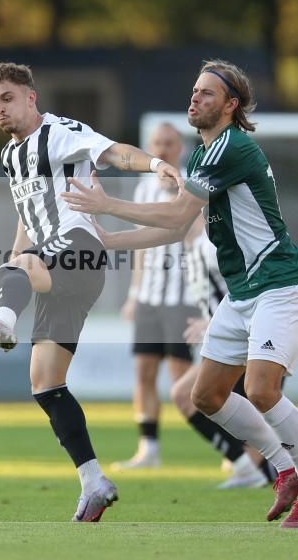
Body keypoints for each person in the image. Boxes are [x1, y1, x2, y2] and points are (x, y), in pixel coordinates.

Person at [62, 59, 298, 528]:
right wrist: (108, 238)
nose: (195, 98)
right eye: (194, 90)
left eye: (207, 93)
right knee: (206, 396)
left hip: (279, 284)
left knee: (261, 390)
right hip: (245, 291)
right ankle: (284, 467)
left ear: (230, 105)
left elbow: (172, 218)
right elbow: (176, 229)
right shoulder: (205, 156)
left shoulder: (229, 148)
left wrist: (106, 204)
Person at [0, 61, 181, 522]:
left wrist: (155, 163)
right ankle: (94, 481)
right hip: (53, 265)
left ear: (31, 98)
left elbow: (115, 153)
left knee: (23, 271)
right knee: (45, 383)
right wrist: (12, 266)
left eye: (7, 99)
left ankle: (3, 325)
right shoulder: (10, 155)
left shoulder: (61, 132)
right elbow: (27, 213)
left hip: (80, 247)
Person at [173, 227, 298, 489]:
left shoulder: (210, 246)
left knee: (268, 460)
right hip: (233, 343)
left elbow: (246, 291)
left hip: (252, 342)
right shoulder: (191, 249)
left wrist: (212, 324)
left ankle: (251, 468)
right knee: (265, 456)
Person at [112, 123, 199, 470]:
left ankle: (235, 449)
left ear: (181, 147)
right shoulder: (144, 188)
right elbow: (140, 247)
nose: (162, 149)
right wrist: (134, 294)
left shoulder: (194, 186)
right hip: (149, 297)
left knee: (185, 381)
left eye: (169, 143)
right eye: (156, 143)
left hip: (185, 297)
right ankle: (148, 448)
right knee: (143, 372)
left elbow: (199, 238)